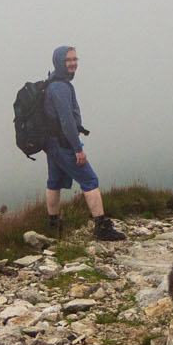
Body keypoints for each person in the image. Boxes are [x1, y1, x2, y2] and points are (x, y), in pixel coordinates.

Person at [41, 46, 125, 242]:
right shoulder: (60, 87)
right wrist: (77, 149)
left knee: (54, 181)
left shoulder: (52, 82)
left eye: (74, 59)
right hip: (63, 144)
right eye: (68, 60)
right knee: (90, 180)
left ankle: (53, 223)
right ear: (59, 62)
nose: (73, 63)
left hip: (52, 143)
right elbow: (67, 121)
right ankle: (101, 227)